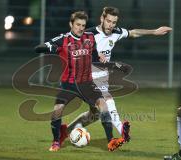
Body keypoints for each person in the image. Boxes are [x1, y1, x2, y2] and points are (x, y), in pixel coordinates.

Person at [59, 6, 172, 151]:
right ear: (102, 19)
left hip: (102, 77)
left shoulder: (116, 32)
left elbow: (133, 32)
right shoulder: (89, 33)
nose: (111, 25)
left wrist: (154, 31)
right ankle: (121, 132)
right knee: (107, 100)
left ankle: (65, 132)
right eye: (108, 21)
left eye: (114, 22)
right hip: (86, 76)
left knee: (94, 114)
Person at [35, 11, 116, 152]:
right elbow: (38, 48)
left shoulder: (90, 37)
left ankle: (111, 142)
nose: (80, 28)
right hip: (68, 84)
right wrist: (53, 48)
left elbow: (94, 53)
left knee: (103, 108)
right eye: (77, 24)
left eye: (83, 25)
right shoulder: (62, 39)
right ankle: (56, 142)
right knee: (56, 111)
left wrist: (100, 58)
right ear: (71, 24)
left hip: (87, 84)